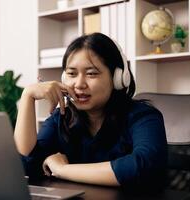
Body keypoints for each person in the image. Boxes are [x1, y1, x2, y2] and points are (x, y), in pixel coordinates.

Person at [14, 33, 167, 190]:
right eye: (72, 73)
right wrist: (27, 97)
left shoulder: (143, 116)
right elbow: (24, 165)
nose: (79, 84)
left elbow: (143, 166)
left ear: (118, 78)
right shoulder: (62, 117)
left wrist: (63, 170)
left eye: (91, 73)